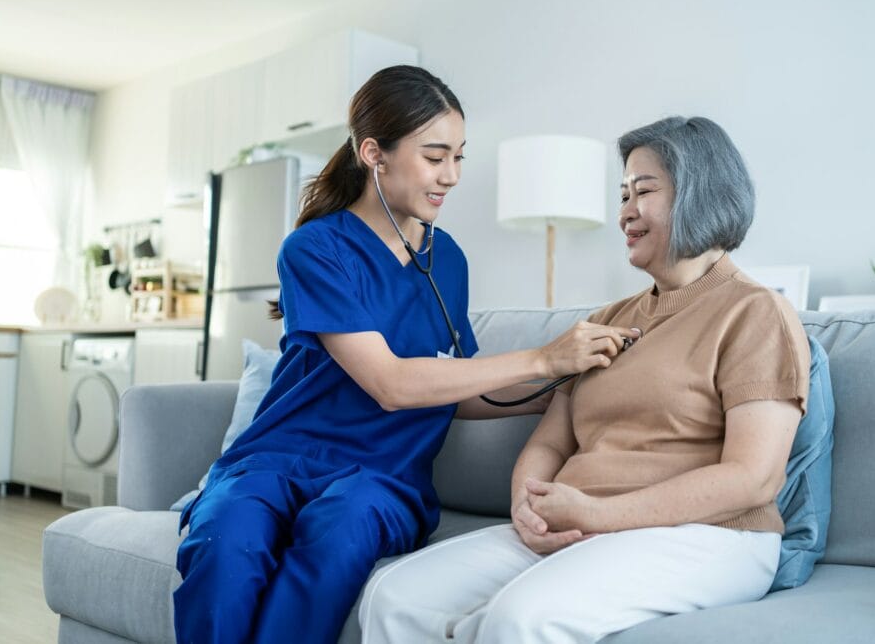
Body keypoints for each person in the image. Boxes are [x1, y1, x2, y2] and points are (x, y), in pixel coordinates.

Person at [172, 65, 637, 644]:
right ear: (374, 153)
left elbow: (465, 390)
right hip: (280, 458)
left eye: (459, 158)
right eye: (435, 156)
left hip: (381, 478)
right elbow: (390, 384)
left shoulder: (450, 261)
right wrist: (544, 357)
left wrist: (568, 387)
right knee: (228, 538)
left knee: (339, 531)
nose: (453, 176)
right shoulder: (315, 249)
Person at [360, 116, 811, 643]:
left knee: (522, 620)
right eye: (622, 194)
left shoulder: (756, 313)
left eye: (643, 191)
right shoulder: (607, 320)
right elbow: (552, 439)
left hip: (709, 533)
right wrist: (526, 503)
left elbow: (752, 477)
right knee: (395, 597)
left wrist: (602, 513)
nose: (624, 212)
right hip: (580, 523)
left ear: (700, 194)